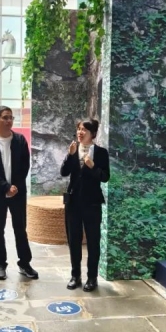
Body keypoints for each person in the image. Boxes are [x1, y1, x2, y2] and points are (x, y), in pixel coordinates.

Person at [0, 106, 38, 280]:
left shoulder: (20, 140)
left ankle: (24, 263)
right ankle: (0, 264)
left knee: (20, 229)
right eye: (5, 117)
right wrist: (6, 187)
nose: (9, 121)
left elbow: (24, 165)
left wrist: (15, 186)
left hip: (18, 193)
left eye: (11, 118)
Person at [60, 118, 110, 292]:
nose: (80, 132)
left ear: (93, 134)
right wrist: (69, 155)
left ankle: (92, 278)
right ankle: (75, 276)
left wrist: (93, 166)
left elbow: (105, 177)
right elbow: (64, 172)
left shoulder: (101, 153)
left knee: (93, 241)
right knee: (73, 240)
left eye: (84, 130)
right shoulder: (73, 149)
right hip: (73, 203)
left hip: (92, 203)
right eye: (79, 129)